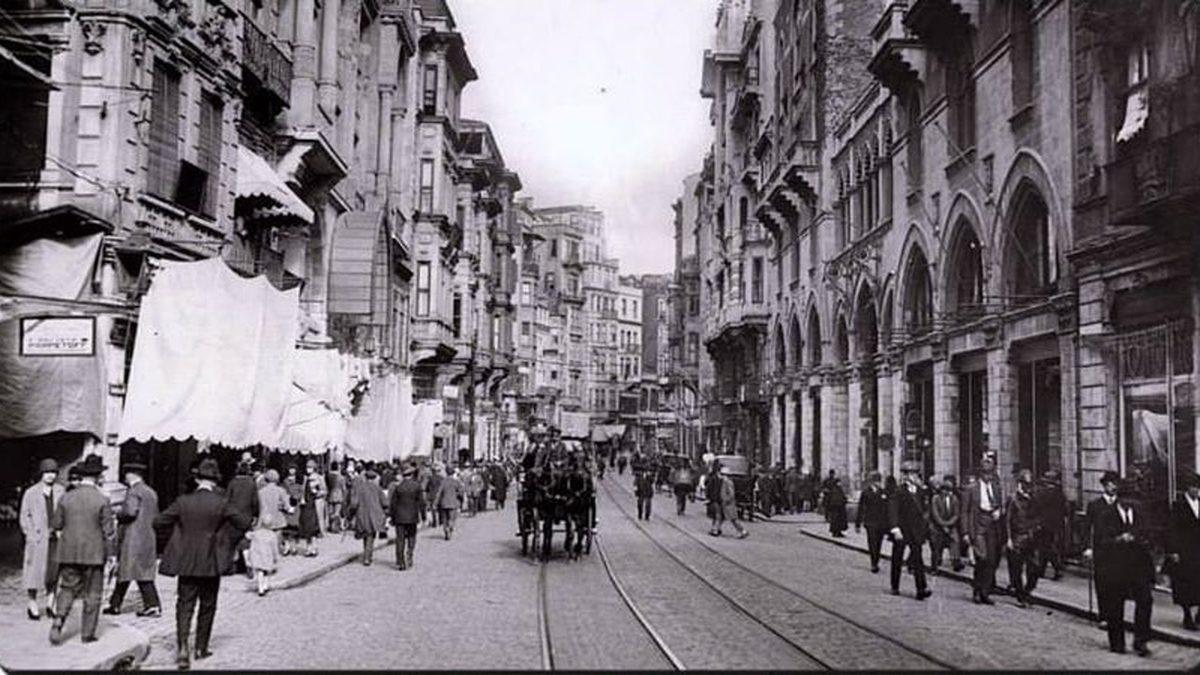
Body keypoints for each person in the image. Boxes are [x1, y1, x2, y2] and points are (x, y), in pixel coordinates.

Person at [154, 458, 251, 668]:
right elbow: (243, 522)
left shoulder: (183, 501)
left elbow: (159, 521)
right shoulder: (221, 503)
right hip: (211, 561)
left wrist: (178, 535)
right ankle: (200, 647)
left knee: (184, 605)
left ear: (197, 479)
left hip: (186, 560)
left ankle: (182, 648)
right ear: (215, 481)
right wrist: (224, 538)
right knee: (208, 605)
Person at [48, 454, 116, 646]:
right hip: (94, 554)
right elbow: (108, 532)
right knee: (93, 593)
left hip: (69, 552)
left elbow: (57, 524)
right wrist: (112, 555)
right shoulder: (103, 500)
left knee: (67, 588)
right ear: (97, 477)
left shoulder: (66, 497)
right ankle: (87, 634)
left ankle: (58, 619)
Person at [1084, 473, 1154, 656]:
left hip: (1138, 566)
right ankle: (1117, 642)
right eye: (1127, 499)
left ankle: (1141, 641)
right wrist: (1119, 539)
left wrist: (1141, 540)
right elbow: (1100, 541)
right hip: (1114, 566)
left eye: (1134, 499)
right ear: (1120, 499)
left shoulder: (1139, 512)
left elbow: (1149, 533)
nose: (1131, 503)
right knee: (1116, 605)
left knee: (1145, 600)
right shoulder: (1106, 515)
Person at [104, 459, 161, 617]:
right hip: (148, 536)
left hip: (133, 537)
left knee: (129, 571)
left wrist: (117, 513)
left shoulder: (134, 491)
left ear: (130, 475)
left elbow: (130, 511)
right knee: (136, 572)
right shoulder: (151, 492)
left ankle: (151, 605)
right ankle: (116, 604)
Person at [20, 458, 64, 621]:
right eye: (47, 473)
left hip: (55, 538)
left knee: (53, 572)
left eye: (53, 473)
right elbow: (25, 515)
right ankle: (32, 603)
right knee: (34, 572)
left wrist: (62, 530)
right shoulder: (31, 492)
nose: (50, 476)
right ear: (41, 474)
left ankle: (50, 603)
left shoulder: (61, 491)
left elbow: (65, 513)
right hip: (38, 539)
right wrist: (30, 534)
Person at [961, 456, 1004, 605]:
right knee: (982, 558)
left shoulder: (996, 487)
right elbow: (965, 511)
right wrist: (965, 532)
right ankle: (977, 591)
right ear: (981, 474)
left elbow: (1000, 505)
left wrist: (998, 511)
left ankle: (985, 592)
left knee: (992, 560)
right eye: (985, 474)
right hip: (977, 526)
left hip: (992, 525)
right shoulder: (971, 489)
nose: (988, 477)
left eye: (990, 473)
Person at [888, 462, 931, 601]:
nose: (913, 476)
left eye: (915, 473)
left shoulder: (920, 491)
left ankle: (921, 588)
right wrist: (895, 528)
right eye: (909, 473)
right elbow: (893, 510)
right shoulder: (898, 491)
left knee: (918, 559)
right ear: (904, 476)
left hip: (915, 530)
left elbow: (924, 508)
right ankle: (895, 585)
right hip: (902, 529)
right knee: (897, 558)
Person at [249, 469, 292, 596]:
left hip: (264, 521)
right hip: (277, 520)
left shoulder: (260, 492)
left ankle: (262, 570)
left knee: (262, 546)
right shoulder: (281, 491)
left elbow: (257, 507)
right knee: (274, 545)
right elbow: (286, 506)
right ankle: (272, 567)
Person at [1005, 469, 1042, 608]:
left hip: (1032, 537)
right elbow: (1007, 520)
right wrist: (1008, 538)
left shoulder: (1034, 498)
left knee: (1035, 567)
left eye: (1030, 484)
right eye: (1026, 484)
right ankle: (1020, 595)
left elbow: (1039, 516)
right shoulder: (1013, 499)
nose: (1028, 487)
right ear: (1020, 483)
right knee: (1016, 569)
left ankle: (1028, 590)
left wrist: (1036, 527)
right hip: (1017, 537)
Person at [1168, 473, 1200, 630]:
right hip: (1185, 550)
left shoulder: (1199, 503)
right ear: (1188, 488)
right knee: (1185, 583)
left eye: (1198, 488)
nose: (1196, 491)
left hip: (1199, 549)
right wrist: (1173, 550)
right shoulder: (1178, 505)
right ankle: (1187, 615)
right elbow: (1172, 529)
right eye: (1194, 487)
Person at [224, 458, 259, 577]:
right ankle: (248, 565)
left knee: (232, 542)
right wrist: (255, 515)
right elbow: (255, 501)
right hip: (246, 517)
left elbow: (226, 500)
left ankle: (232, 567)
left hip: (233, 517)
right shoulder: (251, 483)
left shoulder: (232, 483)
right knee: (245, 543)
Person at [348, 466, 388, 565]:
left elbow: (354, 503)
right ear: (374, 478)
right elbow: (385, 503)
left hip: (362, 515)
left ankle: (366, 555)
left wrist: (350, 515)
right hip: (374, 516)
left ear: (365, 478)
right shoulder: (378, 488)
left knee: (365, 535)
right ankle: (367, 557)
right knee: (371, 536)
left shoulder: (360, 488)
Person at [389, 464, 424, 571]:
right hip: (412, 516)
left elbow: (393, 504)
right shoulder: (417, 486)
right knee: (412, 536)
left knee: (400, 539)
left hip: (399, 517)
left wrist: (392, 517)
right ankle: (410, 552)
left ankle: (400, 561)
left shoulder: (398, 487)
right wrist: (423, 515)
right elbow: (421, 502)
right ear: (412, 474)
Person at [1035, 470, 1068, 582]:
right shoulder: (1060, 494)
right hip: (1057, 524)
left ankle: (1057, 568)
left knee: (1045, 547)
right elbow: (1065, 510)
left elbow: (1036, 508)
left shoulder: (1041, 493)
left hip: (1044, 524)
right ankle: (1041, 570)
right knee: (1047, 547)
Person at [855, 471, 888, 573]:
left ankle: (876, 559)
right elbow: (861, 508)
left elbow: (887, 509)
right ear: (872, 482)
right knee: (872, 542)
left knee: (879, 543)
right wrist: (858, 523)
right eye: (876, 480)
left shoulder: (883, 492)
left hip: (881, 522)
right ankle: (874, 563)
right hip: (870, 522)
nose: (878, 483)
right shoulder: (865, 493)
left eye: (879, 480)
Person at [929, 475, 964, 573]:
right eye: (944, 490)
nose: (946, 493)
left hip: (950, 526)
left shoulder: (954, 499)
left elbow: (956, 514)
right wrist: (943, 525)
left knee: (955, 541)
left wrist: (948, 524)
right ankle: (934, 567)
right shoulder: (935, 499)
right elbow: (935, 514)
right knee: (936, 546)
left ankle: (956, 562)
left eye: (948, 491)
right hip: (936, 526)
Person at [297, 460, 324, 557]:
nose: (308, 469)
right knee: (307, 528)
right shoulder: (305, 478)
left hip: (314, 505)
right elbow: (302, 491)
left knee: (313, 528)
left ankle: (314, 548)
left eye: (310, 467)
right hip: (305, 505)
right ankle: (309, 548)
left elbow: (324, 491)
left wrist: (316, 492)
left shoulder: (319, 478)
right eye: (307, 467)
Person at [434, 466, 464, 540]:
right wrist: (459, 496)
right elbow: (461, 491)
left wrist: (435, 503)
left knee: (444, 519)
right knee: (452, 518)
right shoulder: (455, 482)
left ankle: (446, 529)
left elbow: (439, 493)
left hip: (444, 503)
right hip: (453, 503)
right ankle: (450, 527)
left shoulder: (443, 482)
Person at [719, 464, 749, 539]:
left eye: (722, 474)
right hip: (726, 503)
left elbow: (731, 493)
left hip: (729, 504)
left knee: (733, 519)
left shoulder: (727, 482)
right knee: (721, 517)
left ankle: (743, 531)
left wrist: (726, 500)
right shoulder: (725, 482)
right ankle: (717, 529)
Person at [281, 465, 303, 556]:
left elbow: (301, 493)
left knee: (294, 528)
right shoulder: (284, 482)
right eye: (290, 469)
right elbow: (283, 493)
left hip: (296, 506)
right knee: (286, 528)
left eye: (293, 469)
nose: (292, 471)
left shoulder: (299, 482)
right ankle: (287, 546)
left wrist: (296, 497)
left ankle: (294, 547)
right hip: (287, 506)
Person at [326, 462, 346, 534]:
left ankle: (331, 526)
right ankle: (335, 527)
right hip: (339, 494)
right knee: (337, 512)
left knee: (331, 512)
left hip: (330, 494)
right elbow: (343, 488)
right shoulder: (341, 477)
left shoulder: (328, 476)